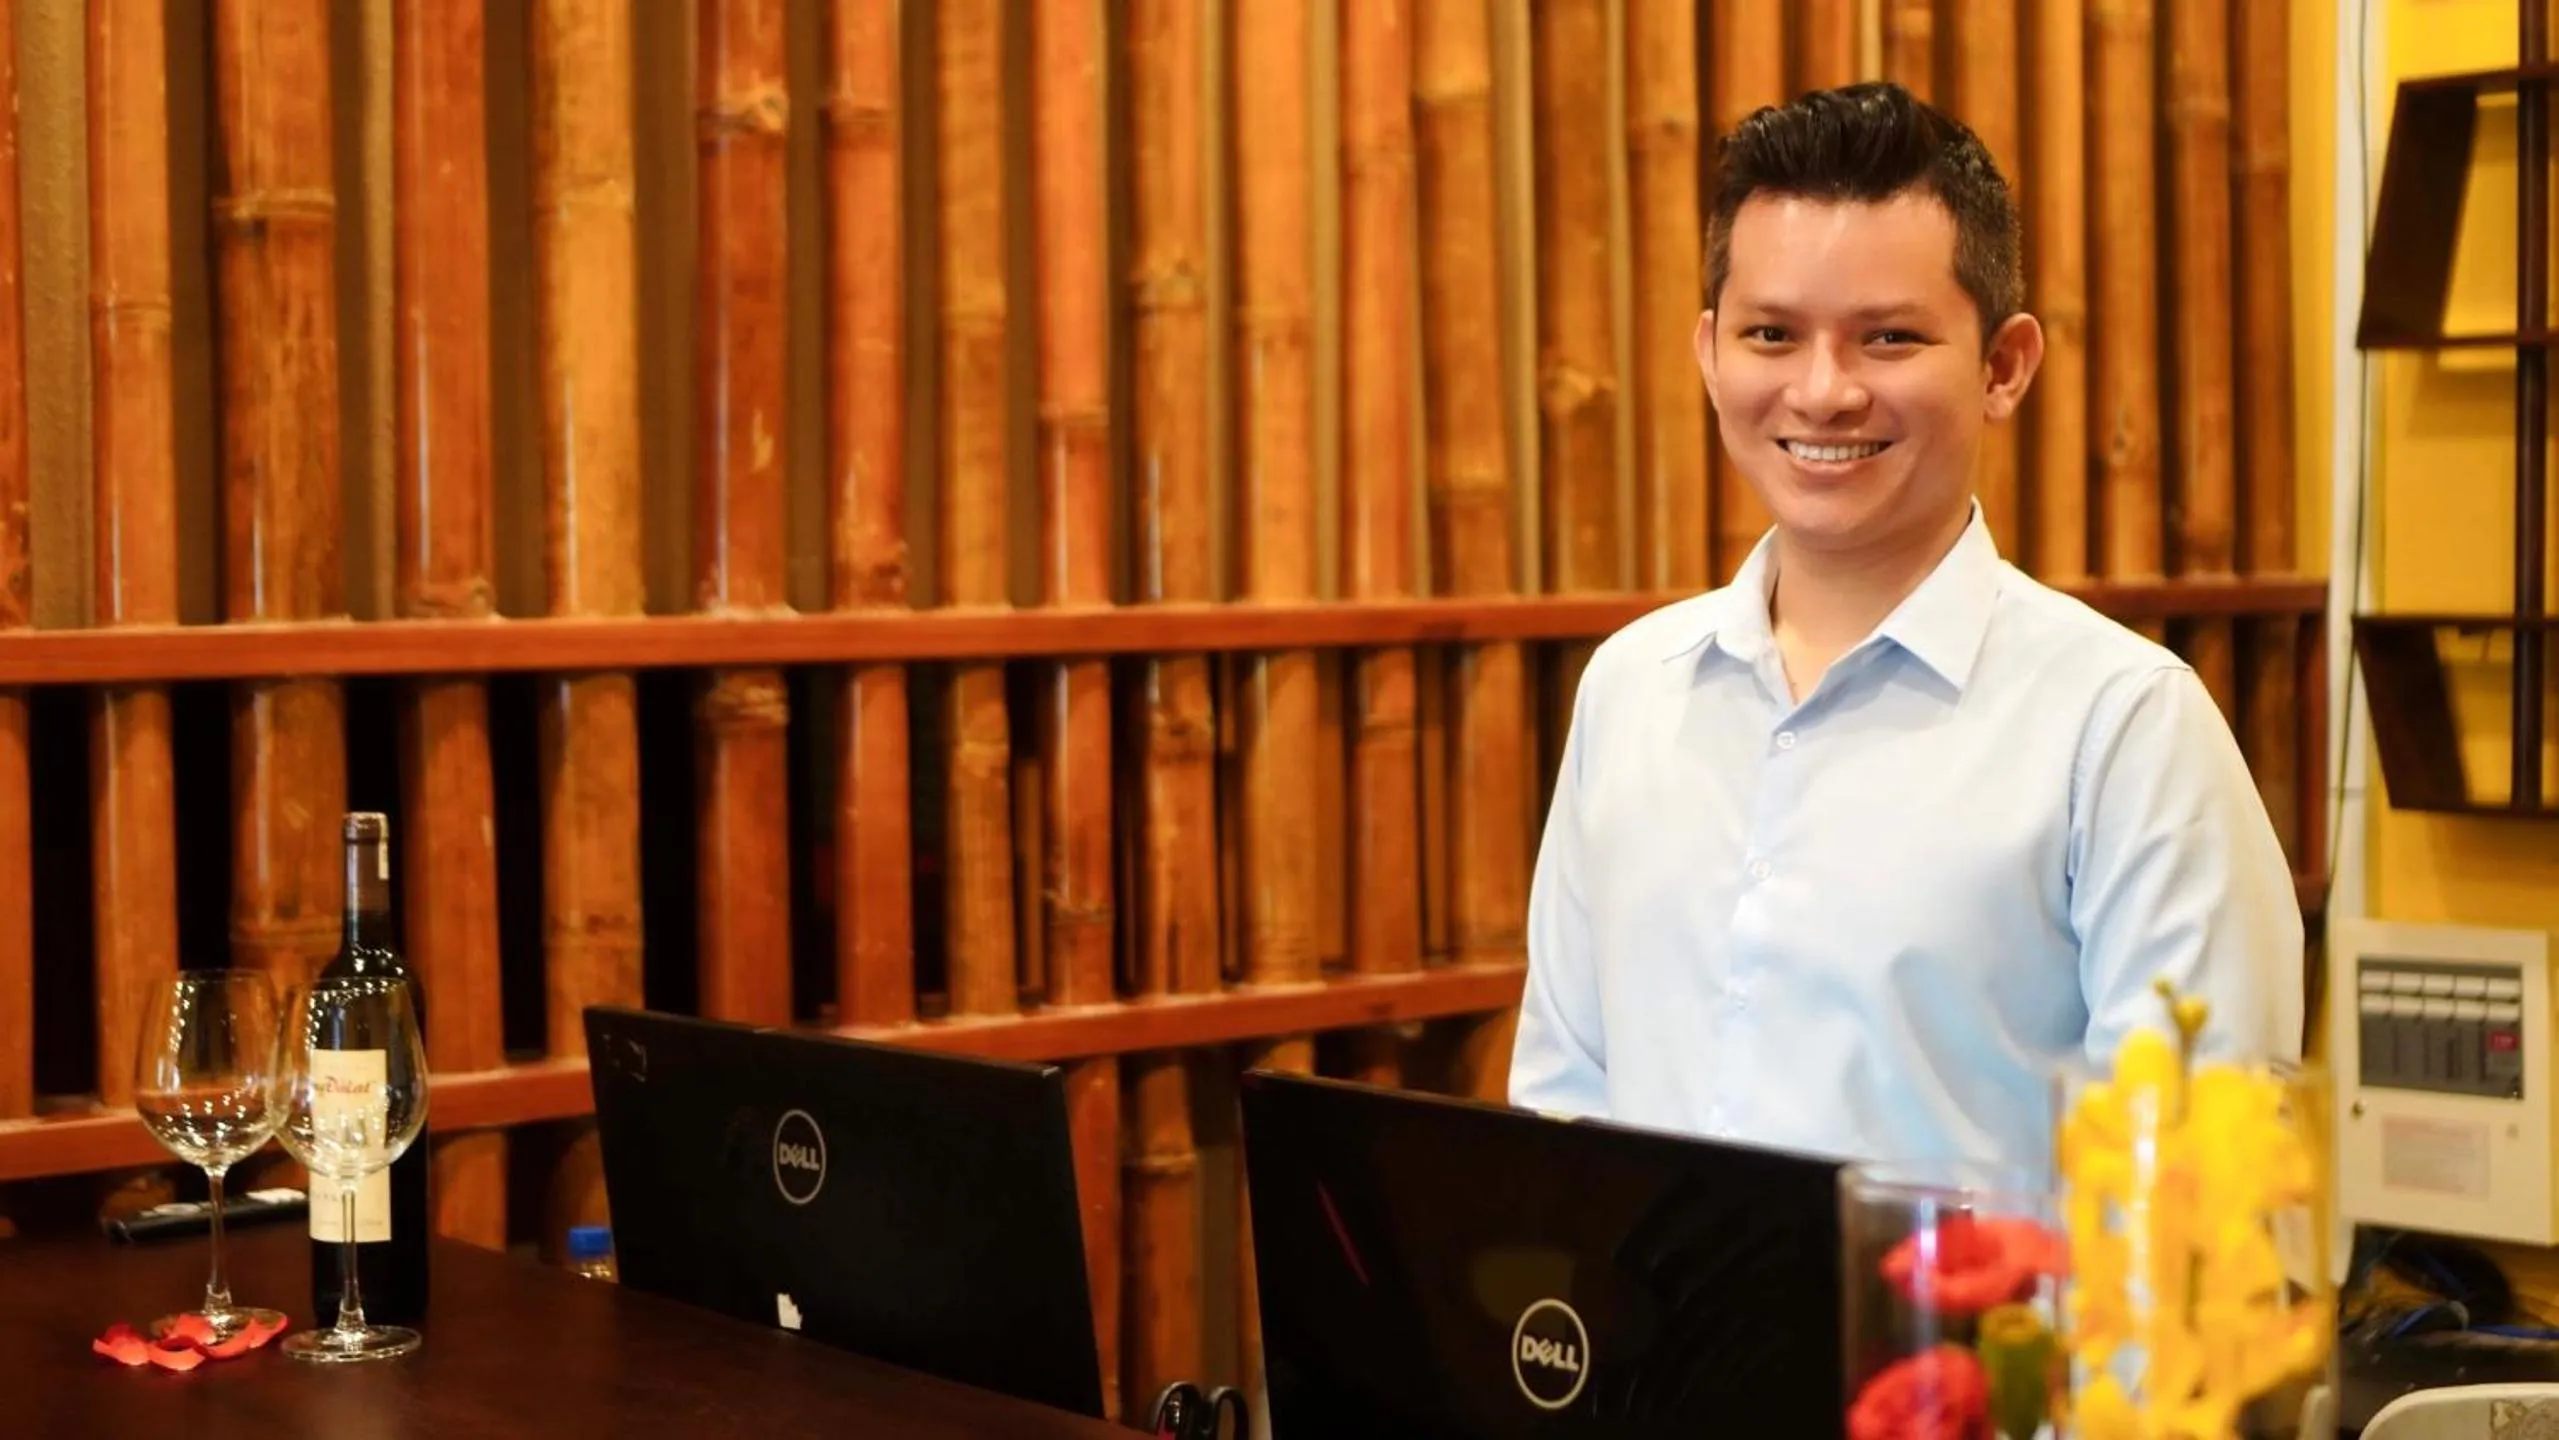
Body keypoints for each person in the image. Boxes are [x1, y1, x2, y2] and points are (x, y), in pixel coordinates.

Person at [1507, 82, 2303, 1175]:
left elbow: (2199, 1208)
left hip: (1987, 1354)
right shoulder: (1631, 689)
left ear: (2003, 366)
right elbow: (1565, 1110)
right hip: (1661, 1352)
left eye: (1887, 338)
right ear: (1708, 353)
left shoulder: (2123, 728)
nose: (1823, 392)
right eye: (1771, 335)